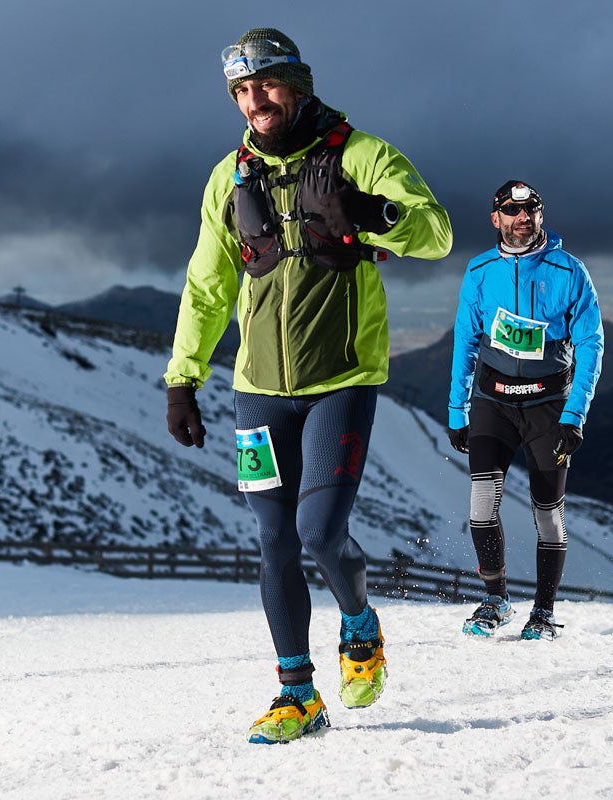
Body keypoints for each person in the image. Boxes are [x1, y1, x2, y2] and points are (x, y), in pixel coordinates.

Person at [163, 27, 452, 743]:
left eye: (266, 85)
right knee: (274, 542)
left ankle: (360, 626)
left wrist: (376, 218)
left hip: (341, 378)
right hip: (257, 387)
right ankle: (298, 695)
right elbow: (207, 284)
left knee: (320, 531)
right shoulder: (228, 177)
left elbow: (437, 232)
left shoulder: (360, 155)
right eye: (242, 91)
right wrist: (183, 377)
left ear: (297, 84)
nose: (255, 101)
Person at [447, 180, 604, 641]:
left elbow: (592, 344)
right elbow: (466, 340)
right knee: (480, 503)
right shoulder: (478, 272)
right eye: (511, 211)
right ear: (495, 218)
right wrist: (458, 409)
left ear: (541, 215)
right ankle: (495, 599)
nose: (522, 218)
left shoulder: (569, 270)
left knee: (547, 512)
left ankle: (544, 610)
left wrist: (574, 415)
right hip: (493, 402)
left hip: (548, 406)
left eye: (530, 210)